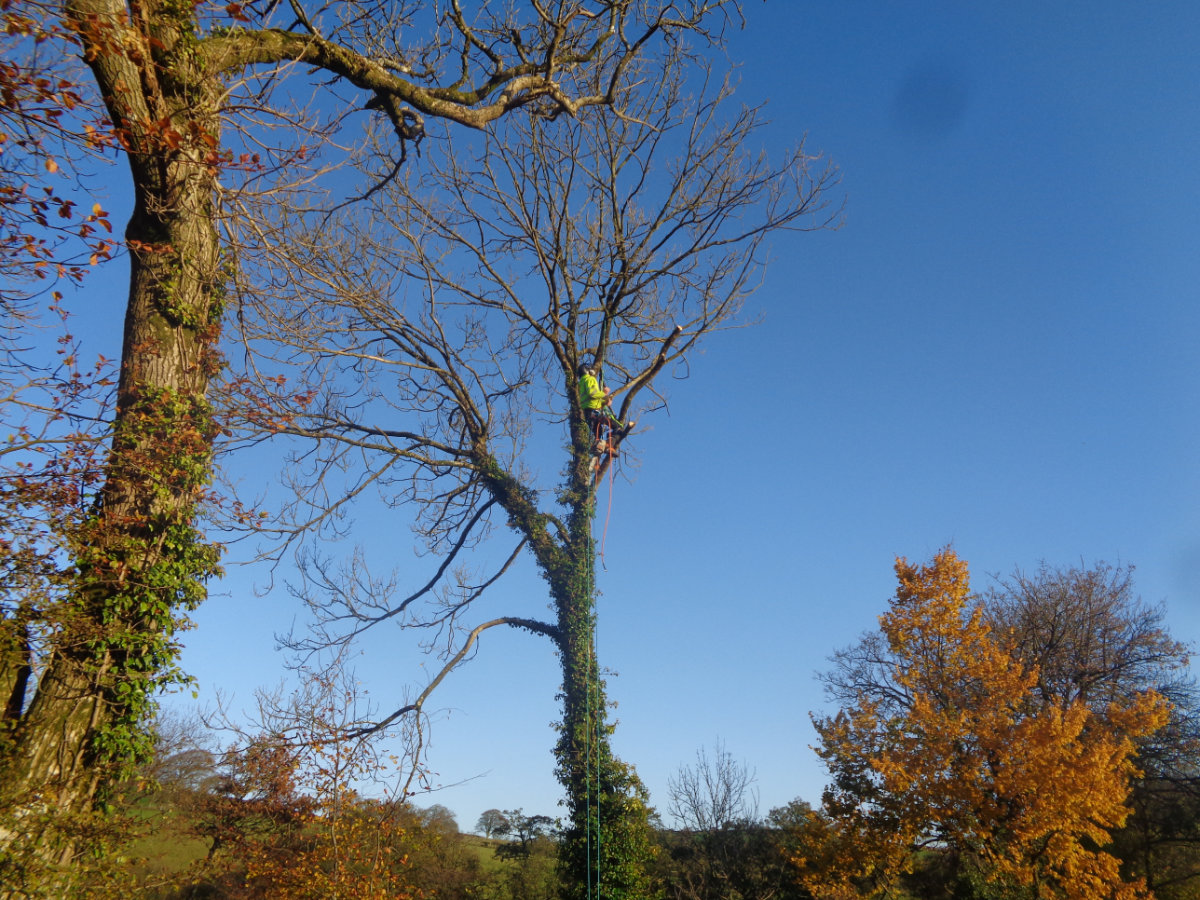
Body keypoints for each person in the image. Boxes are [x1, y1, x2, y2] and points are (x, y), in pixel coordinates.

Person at [577, 363, 633, 447]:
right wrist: (605, 396)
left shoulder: (580, 384)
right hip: (594, 409)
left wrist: (603, 399)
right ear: (587, 370)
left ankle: (598, 446)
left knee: (597, 433)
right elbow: (592, 393)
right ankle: (610, 442)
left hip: (587, 411)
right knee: (616, 426)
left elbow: (589, 397)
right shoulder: (589, 379)